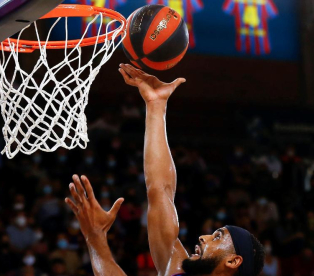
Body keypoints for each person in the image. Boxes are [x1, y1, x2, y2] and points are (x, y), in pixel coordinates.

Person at [65, 64, 265, 276]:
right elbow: (160, 191)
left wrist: (96, 239)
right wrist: (156, 105)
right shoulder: (178, 269)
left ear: (233, 261)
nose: (202, 237)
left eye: (217, 237)